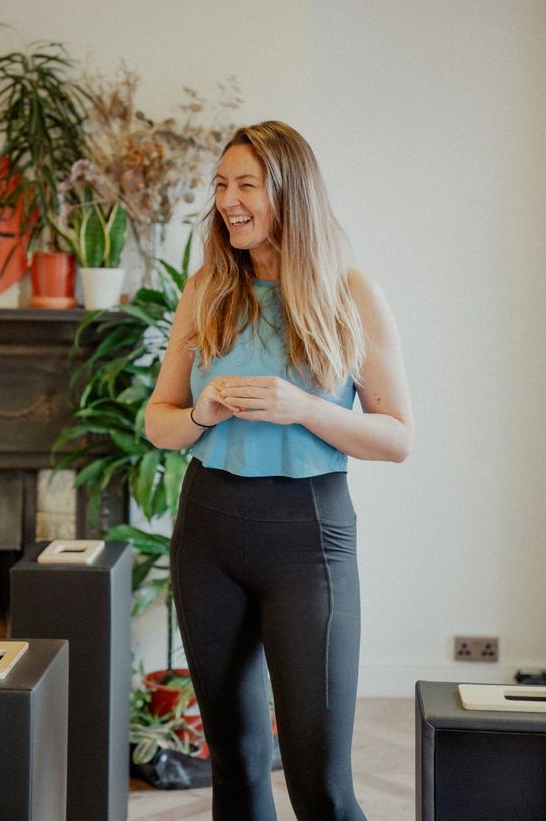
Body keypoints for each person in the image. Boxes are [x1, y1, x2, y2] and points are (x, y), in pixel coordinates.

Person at [145, 120, 414, 821]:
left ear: (289, 192)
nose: (228, 200)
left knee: (320, 784)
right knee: (233, 769)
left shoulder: (351, 293)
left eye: (245, 185)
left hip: (308, 539)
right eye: (220, 186)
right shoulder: (207, 288)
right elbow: (158, 422)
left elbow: (396, 439)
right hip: (208, 532)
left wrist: (303, 408)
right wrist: (201, 412)